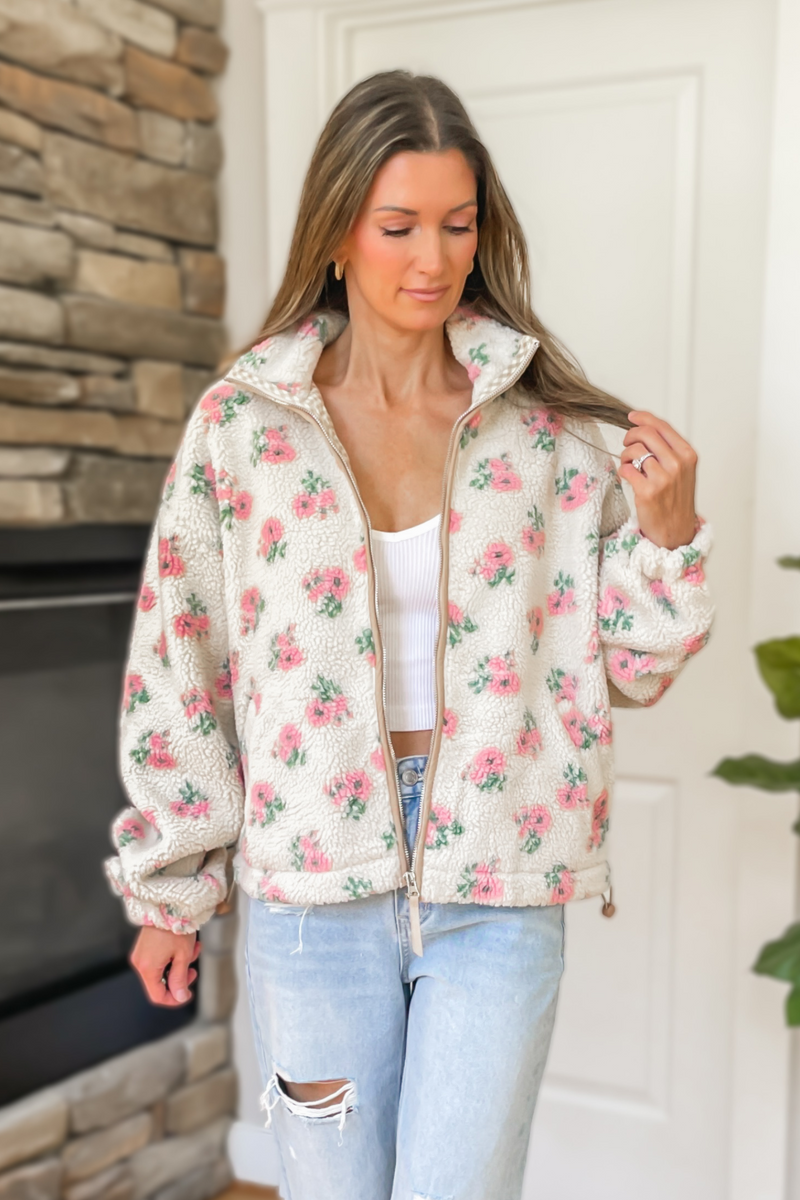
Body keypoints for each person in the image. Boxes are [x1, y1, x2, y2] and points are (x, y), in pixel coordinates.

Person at [107, 70, 714, 1200]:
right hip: (309, 885)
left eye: (457, 224)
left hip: (500, 873)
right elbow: (178, 661)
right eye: (398, 227)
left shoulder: (546, 430)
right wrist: (171, 888)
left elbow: (631, 672)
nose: (432, 259)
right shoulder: (246, 426)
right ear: (339, 233)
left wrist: (667, 537)